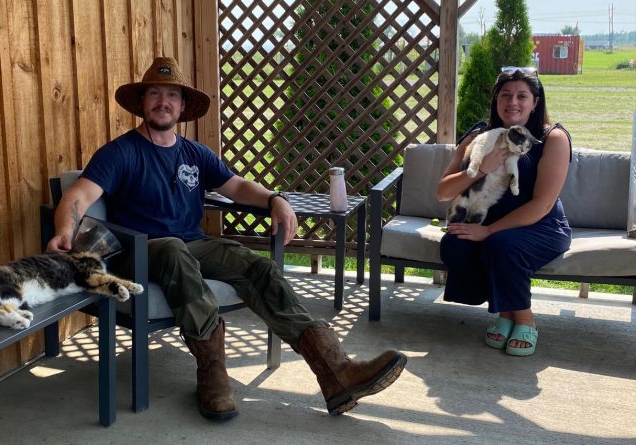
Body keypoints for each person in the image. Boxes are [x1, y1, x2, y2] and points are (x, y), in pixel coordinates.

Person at [47, 57, 406, 420]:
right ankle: (212, 372)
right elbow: (79, 196)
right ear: (142, 102)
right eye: (154, 93)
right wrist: (64, 231)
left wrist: (274, 198)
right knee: (172, 248)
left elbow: (235, 186)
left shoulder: (195, 154)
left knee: (257, 266)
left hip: (193, 244)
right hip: (141, 251)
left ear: (183, 106)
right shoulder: (120, 152)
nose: (163, 101)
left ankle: (336, 371)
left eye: (172, 95)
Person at [436, 67, 573, 357]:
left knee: (501, 244)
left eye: (522, 96)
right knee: (454, 243)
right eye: (506, 95)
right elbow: (443, 192)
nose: (513, 102)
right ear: (496, 100)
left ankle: (522, 318)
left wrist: (486, 231)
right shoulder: (478, 137)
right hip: (492, 224)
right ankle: (504, 311)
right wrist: (481, 168)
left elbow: (543, 204)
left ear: (535, 102)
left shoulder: (553, 138)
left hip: (541, 226)